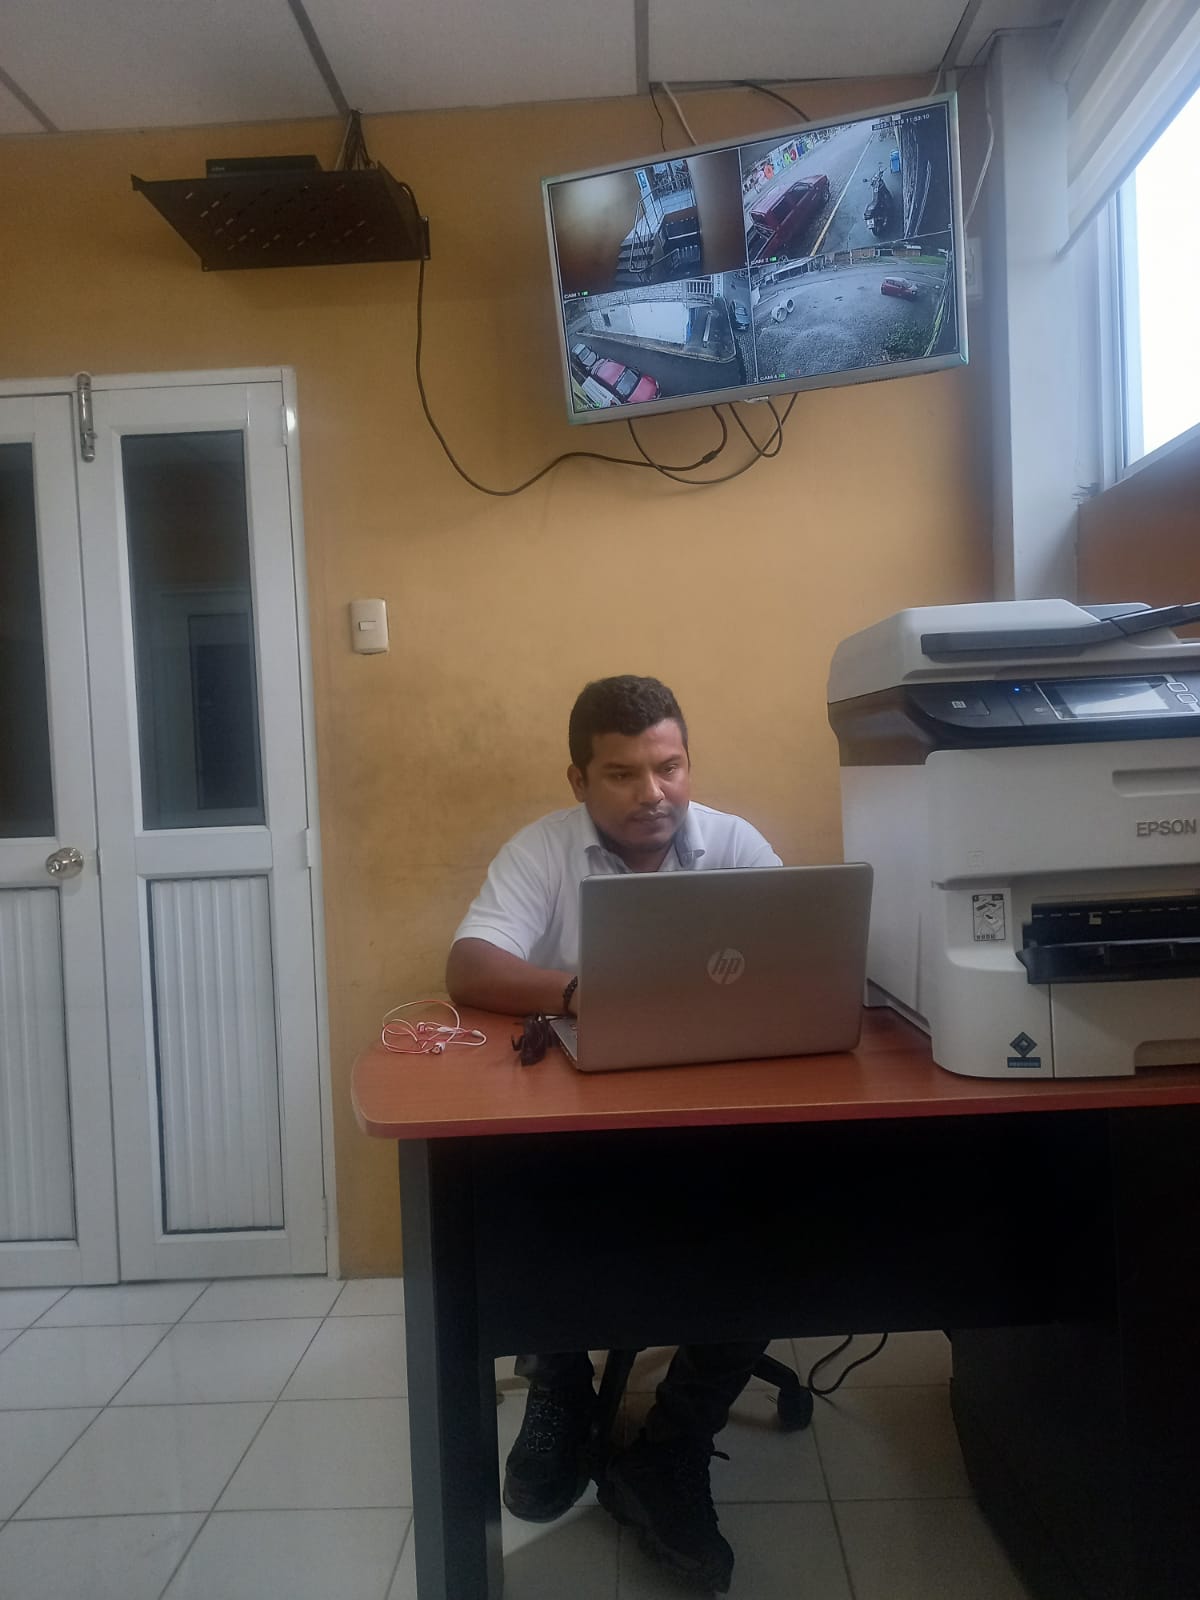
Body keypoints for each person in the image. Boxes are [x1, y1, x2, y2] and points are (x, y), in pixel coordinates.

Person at [447, 675, 782, 1594]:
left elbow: (798, 950)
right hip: (579, 1118)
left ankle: (670, 1447)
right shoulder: (544, 849)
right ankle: (560, 1386)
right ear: (579, 779)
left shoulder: (734, 844)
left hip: (717, 1114)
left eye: (668, 767)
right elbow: (469, 964)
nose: (653, 792)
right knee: (516, 1195)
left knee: (787, 1221)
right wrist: (578, 992)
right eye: (624, 774)